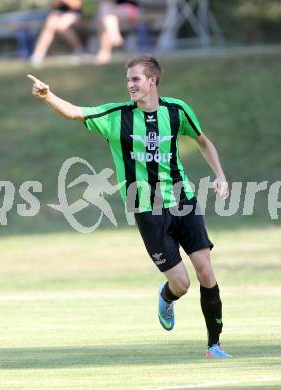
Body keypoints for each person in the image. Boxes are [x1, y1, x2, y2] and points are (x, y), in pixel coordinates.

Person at [27, 54, 231, 358]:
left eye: (135, 79)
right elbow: (74, 113)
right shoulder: (116, 116)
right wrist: (47, 96)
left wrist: (220, 176)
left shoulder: (177, 111)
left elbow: (203, 140)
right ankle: (166, 297)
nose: (130, 85)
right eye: (127, 80)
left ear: (153, 80)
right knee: (182, 283)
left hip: (183, 200)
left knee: (205, 270)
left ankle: (214, 345)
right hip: (147, 211)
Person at [30, 0, 84, 66]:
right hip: (58, 13)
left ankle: (79, 49)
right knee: (49, 26)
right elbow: (53, 5)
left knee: (61, 26)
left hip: (73, 13)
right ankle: (38, 55)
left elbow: (76, 6)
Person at [94, 0, 140, 65]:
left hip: (130, 9)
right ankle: (114, 38)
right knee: (107, 18)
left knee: (106, 17)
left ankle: (104, 53)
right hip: (112, 15)